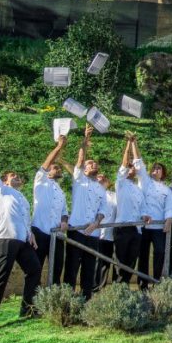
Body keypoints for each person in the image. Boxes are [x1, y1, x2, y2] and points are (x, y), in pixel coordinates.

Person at [0, 145, 41, 330]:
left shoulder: (22, 198)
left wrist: (31, 235)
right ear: (5, 181)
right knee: (1, 276)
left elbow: (25, 219)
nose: (17, 177)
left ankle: (27, 309)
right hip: (5, 240)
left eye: (18, 176)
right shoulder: (1, 190)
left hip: (23, 241)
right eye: (12, 175)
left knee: (35, 270)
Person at [63, 125, 108, 299]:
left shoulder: (100, 188)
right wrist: (84, 140)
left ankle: (86, 299)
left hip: (93, 232)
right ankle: (67, 299)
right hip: (76, 229)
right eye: (91, 164)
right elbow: (80, 161)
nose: (93, 165)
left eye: (95, 164)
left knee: (90, 267)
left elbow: (103, 209)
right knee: (72, 266)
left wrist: (96, 223)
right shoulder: (79, 179)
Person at [132, 137, 172, 289]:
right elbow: (138, 162)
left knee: (160, 252)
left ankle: (156, 281)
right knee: (142, 255)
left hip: (158, 227)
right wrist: (133, 143)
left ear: (163, 173)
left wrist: (169, 220)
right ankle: (142, 283)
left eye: (158, 168)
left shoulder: (166, 189)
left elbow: (169, 207)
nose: (155, 170)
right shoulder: (145, 181)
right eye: (154, 168)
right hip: (143, 226)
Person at [30, 135, 69, 287]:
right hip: (40, 231)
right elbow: (46, 164)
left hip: (57, 234)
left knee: (57, 268)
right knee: (36, 267)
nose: (58, 169)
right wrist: (59, 147)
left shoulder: (60, 191)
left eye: (58, 167)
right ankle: (33, 301)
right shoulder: (40, 180)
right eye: (55, 167)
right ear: (47, 172)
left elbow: (65, 211)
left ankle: (53, 300)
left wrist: (65, 221)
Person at [113, 135, 145, 285]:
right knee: (120, 261)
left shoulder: (138, 188)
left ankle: (124, 287)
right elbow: (124, 163)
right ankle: (117, 289)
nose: (132, 168)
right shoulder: (121, 182)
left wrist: (145, 216)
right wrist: (128, 144)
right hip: (123, 227)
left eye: (133, 167)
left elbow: (141, 208)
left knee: (132, 261)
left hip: (136, 229)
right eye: (130, 167)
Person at [94, 172, 116, 289]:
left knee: (106, 263)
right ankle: (93, 287)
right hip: (96, 234)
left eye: (104, 177)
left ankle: (102, 287)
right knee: (96, 261)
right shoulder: (92, 193)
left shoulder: (114, 195)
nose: (101, 179)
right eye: (99, 177)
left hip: (110, 234)